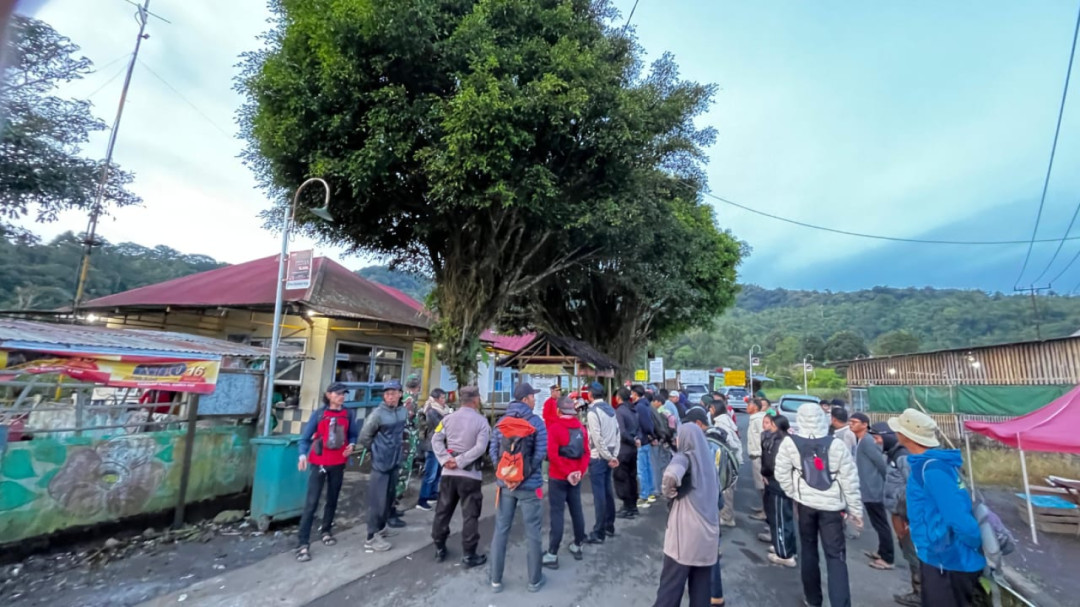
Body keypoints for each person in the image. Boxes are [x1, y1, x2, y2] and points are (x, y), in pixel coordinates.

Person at [890, 409, 984, 607]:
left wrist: (974, 544)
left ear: (907, 436)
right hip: (939, 556)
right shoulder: (932, 465)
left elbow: (958, 517)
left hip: (947, 560)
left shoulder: (933, 470)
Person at [774, 403, 863, 607]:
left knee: (808, 549)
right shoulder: (836, 444)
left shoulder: (790, 443)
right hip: (833, 509)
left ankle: (813, 599)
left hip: (805, 505)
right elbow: (850, 480)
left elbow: (781, 474)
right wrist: (856, 511)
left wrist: (794, 492)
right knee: (836, 557)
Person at [488, 383, 548, 594]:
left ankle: (495, 580)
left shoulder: (501, 422)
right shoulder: (537, 423)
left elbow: (493, 452)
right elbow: (540, 453)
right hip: (530, 487)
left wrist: (505, 475)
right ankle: (534, 580)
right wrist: (522, 475)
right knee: (533, 531)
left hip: (505, 487)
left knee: (501, 530)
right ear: (525, 399)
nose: (534, 400)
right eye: (532, 397)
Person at [652, 423, 720, 607]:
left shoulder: (684, 457)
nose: (676, 439)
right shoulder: (709, 463)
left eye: (679, 436)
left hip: (685, 536)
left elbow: (670, 476)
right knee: (701, 589)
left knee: (670, 587)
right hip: (709, 534)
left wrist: (670, 492)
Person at [295, 382, 358, 562]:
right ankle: (303, 543)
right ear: (329, 395)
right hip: (319, 463)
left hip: (338, 463)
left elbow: (353, 434)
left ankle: (326, 530)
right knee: (312, 502)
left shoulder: (348, 413)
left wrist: (352, 445)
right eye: (338, 394)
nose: (341, 397)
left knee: (332, 499)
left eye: (344, 394)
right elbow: (305, 438)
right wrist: (302, 456)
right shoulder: (319, 414)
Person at [430, 385, 489, 568]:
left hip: (448, 474)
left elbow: (435, 439)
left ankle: (439, 547)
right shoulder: (481, 422)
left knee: (443, 511)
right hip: (470, 475)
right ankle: (469, 555)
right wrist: (461, 461)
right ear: (476, 400)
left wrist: (446, 459)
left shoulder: (447, 418)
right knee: (470, 515)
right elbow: (480, 448)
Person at [873, 422, 921, 607]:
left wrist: (909, 517)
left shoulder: (903, 457)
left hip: (905, 515)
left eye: (877, 438)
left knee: (913, 552)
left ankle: (920, 592)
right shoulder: (894, 453)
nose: (876, 442)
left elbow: (914, 488)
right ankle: (917, 589)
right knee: (908, 550)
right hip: (899, 512)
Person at [358, 379, 409, 552]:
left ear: (400, 394)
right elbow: (364, 437)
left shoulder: (402, 411)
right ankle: (371, 537)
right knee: (377, 501)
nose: (390, 396)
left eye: (393, 393)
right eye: (387, 393)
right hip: (380, 463)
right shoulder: (377, 414)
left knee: (389, 498)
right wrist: (376, 451)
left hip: (395, 461)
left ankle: (381, 528)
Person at [544, 395, 591, 569]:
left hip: (558, 476)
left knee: (557, 513)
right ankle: (578, 544)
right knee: (576, 510)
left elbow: (552, 455)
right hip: (576, 476)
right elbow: (586, 452)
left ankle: (552, 553)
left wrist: (567, 472)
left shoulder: (555, 428)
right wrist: (579, 471)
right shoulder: (581, 428)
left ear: (558, 410)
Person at [850, 411, 894, 571]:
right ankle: (882, 551)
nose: (851, 424)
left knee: (881, 523)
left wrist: (886, 484)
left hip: (874, 488)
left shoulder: (868, 441)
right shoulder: (861, 440)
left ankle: (888, 558)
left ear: (864, 424)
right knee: (877, 523)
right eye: (850, 422)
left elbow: (881, 464)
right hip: (867, 487)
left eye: (854, 422)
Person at [585, 382, 620, 544]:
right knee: (607, 491)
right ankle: (609, 525)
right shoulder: (611, 410)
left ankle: (599, 531)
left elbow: (597, 439)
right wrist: (614, 455)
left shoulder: (593, 413)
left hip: (598, 457)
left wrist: (607, 456)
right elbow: (617, 433)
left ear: (591, 395)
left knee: (599, 495)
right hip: (609, 455)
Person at [761, 413, 797, 568]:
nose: (769, 427)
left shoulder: (780, 442)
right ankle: (785, 547)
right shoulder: (787, 439)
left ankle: (784, 554)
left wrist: (765, 474)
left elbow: (771, 463)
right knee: (783, 517)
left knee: (780, 518)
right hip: (781, 483)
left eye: (772, 424)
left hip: (778, 484)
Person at [707, 399, 742, 528]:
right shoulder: (725, 421)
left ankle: (727, 518)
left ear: (714, 410)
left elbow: (725, 445)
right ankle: (725, 515)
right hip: (731, 460)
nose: (709, 412)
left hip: (726, 462)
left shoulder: (721, 425)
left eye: (710, 409)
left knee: (725, 490)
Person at [416, 388, 450, 512]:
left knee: (437, 472)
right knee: (430, 473)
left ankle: (432, 494)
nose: (444, 400)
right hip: (431, 445)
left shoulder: (444, 410)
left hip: (440, 445)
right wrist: (448, 419)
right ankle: (422, 499)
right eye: (442, 398)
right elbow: (439, 426)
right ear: (436, 399)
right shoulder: (431, 410)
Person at [614, 386, 641, 518]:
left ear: (618, 397)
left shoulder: (620, 412)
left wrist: (631, 440)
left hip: (623, 449)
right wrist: (636, 440)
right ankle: (633, 506)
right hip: (633, 449)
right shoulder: (633, 410)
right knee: (631, 477)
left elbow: (622, 432)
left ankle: (627, 507)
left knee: (622, 478)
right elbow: (638, 428)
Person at [633, 384, 659, 508]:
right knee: (648, 468)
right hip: (647, 441)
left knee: (642, 470)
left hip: (642, 441)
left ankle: (644, 496)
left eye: (632, 393)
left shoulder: (639, 407)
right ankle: (650, 493)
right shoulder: (646, 405)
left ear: (635, 394)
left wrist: (650, 434)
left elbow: (645, 424)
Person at [746, 398, 767, 520]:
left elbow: (764, 437)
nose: (747, 407)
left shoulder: (758, 419)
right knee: (760, 485)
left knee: (763, 485)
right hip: (756, 454)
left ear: (755, 407)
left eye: (749, 405)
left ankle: (765, 511)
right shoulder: (754, 418)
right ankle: (763, 507)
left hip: (760, 455)